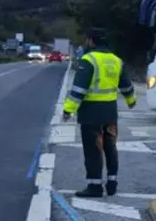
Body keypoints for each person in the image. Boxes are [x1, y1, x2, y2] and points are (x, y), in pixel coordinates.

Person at [62, 28, 137, 198]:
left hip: (91, 113)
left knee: (94, 150)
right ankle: (112, 183)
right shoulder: (116, 61)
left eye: (86, 39)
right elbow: (126, 85)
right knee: (110, 148)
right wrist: (131, 101)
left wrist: (68, 110)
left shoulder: (88, 60)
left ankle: (94, 186)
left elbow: (79, 89)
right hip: (110, 113)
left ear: (91, 41)